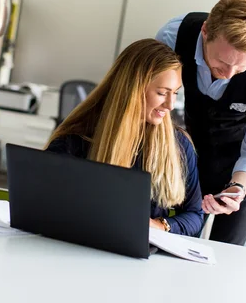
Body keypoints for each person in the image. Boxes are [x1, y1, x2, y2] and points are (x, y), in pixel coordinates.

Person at [156, 0, 246, 246]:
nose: (228, 75)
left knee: (226, 249)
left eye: (240, 68)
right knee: (172, 240)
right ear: (206, 31)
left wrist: (237, 189)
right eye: (221, 61)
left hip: (243, 162)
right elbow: (151, 100)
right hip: (189, 153)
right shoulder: (172, 37)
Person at [44, 39, 204, 237]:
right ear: (133, 90)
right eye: (162, 93)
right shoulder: (76, 140)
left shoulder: (179, 145)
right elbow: (44, 203)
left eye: (176, 93)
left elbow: (195, 215)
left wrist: (160, 226)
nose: (170, 105)